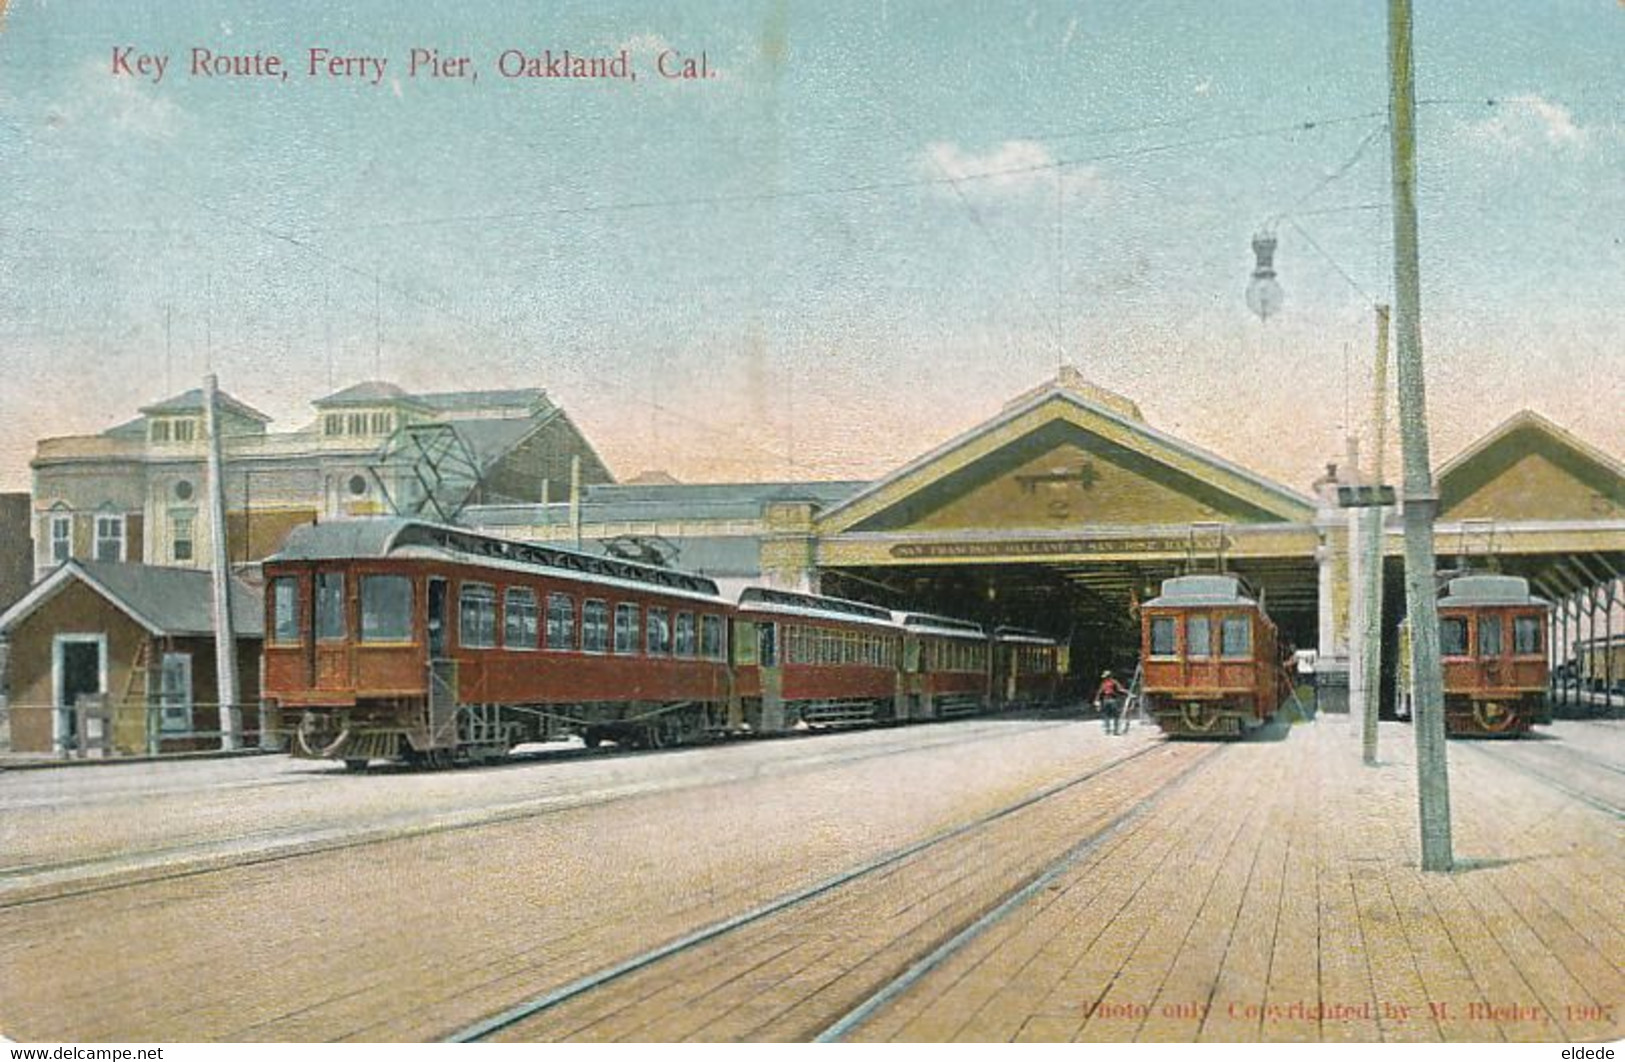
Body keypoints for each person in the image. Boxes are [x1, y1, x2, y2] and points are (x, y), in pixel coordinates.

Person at [1095, 670, 1127, 735]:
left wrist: (1097, 700)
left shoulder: (1103, 683)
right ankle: (1115, 731)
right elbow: (1120, 690)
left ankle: (1107, 730)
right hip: (1113, 700)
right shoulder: (1114, 682)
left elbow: (1099, 693)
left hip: (1105, 701)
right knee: (1116, 716)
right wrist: (1128, 693)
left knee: (1106, 716)